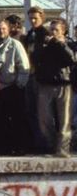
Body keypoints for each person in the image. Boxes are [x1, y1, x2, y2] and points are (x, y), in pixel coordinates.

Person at [0, 18, 31, 156]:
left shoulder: (15, 45)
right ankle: (2, 147)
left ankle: (19, 147)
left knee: (17, 119)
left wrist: (19, 85)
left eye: (3, 28)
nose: (1, 31)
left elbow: (24, 66)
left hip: (13, 86)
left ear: (8, 29)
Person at [32, 21, 75, 157]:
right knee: (44, 118)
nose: (53, 32)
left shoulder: (67, 43)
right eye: (51, 29)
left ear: (63, 31)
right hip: (46, 84)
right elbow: (35, 58)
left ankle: (63, 149)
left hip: (63, 83)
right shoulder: (45, 43)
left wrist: (58, 43)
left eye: (56, 30)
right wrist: (43, 45)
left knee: (64, 120)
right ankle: (51, 145)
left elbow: (70, 58)